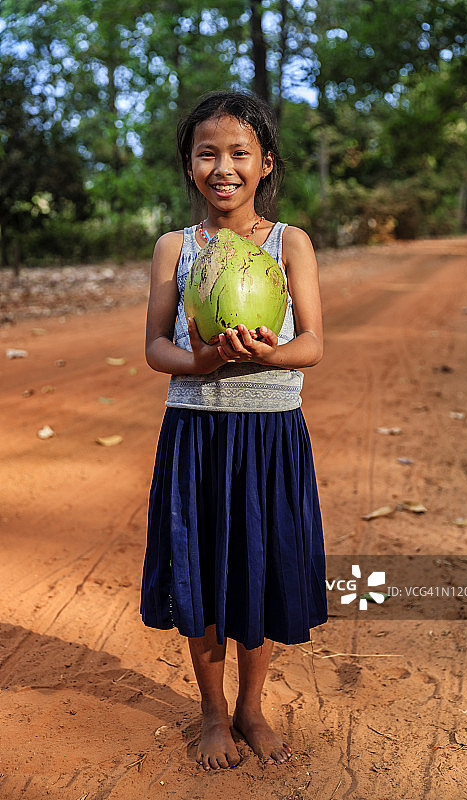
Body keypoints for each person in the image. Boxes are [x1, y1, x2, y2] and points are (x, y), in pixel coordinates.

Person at [140, 90, 327, 772]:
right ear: (189, 166)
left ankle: (251, 707)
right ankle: (212, 711)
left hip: (270, 433)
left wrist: (267, 353)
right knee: (203, 573)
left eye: (238, 153)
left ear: (264, 163)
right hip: (199, 434)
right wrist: (203, 360)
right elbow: (156, 348)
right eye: (206, 153)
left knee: (260, 571)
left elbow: (310, 343)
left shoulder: (288, 242)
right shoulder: (174, 248)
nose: (223, 166)